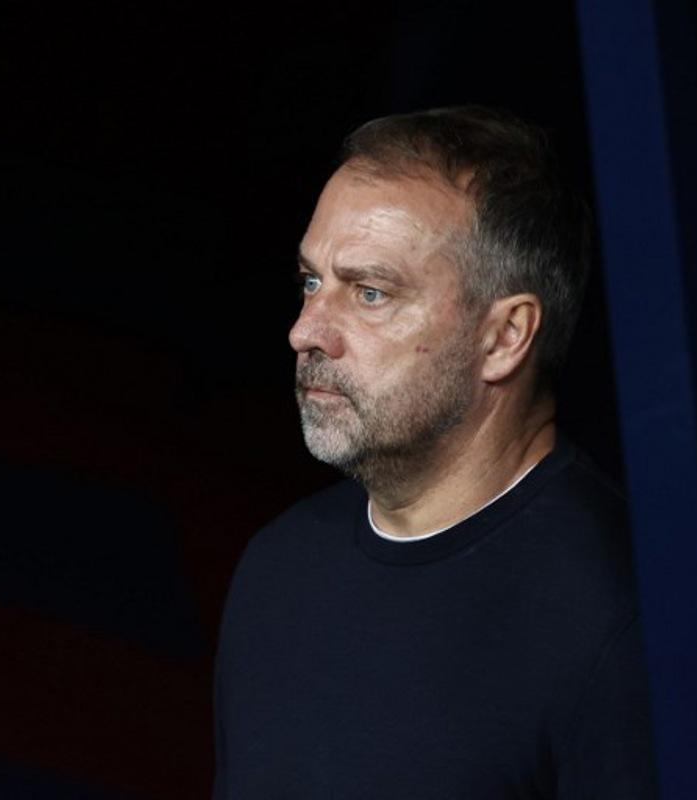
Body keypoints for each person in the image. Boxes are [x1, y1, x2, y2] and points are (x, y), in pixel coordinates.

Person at [213, 106, 655, 798]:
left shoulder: (620, 626)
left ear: (506, 336)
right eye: (310, 281)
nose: (307, 331)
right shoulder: (280, 567)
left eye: (369, 292)